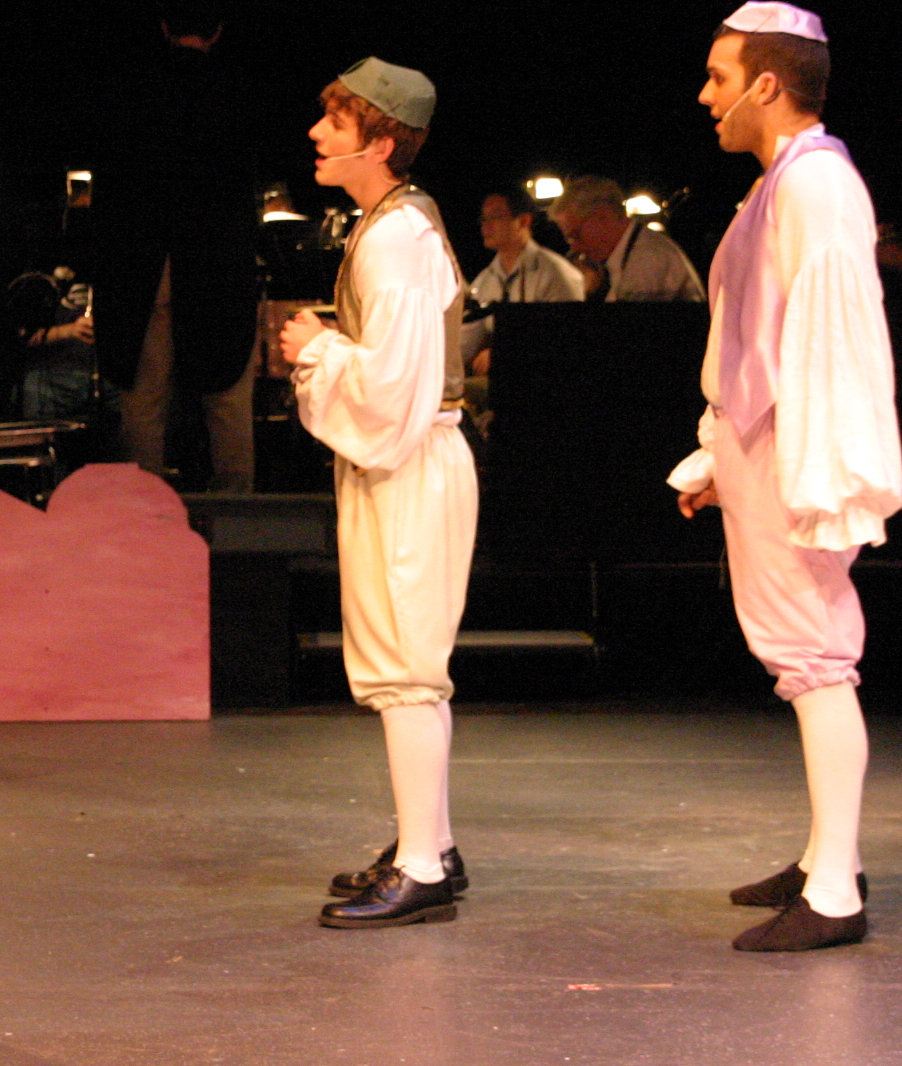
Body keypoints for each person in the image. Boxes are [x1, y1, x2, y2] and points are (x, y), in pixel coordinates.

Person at [668, 2, 902, 951]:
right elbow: (752, 338)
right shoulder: (780, 184)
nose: (706, 96)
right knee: (798, 651)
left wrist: (819, 476)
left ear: (766, 84)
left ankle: (837, 888)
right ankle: (824, 857)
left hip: (796, 453)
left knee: (814, 655)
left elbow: (837, 336)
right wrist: (720, 455)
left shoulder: (816, 184)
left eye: (719, 78)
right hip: (763, 446)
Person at [279, 57, 477, 929]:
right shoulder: (391, 225)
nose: (317, 134)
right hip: (408, 460)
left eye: (336, 121)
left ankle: (423, 867)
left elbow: (396, 388)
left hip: (411, 460)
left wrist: (317, 347)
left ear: (381, 140)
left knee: (406, 666)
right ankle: (429, 845)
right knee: (404, 660)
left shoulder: (396, 237)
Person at [89, 0, 260, 493]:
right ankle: (238, 520)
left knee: (145, 400)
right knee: (227, 398)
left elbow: (109, 193)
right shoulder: (235, 91)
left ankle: (144, 519)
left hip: (146, 264)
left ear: (164, 27)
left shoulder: (130, 89)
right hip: (217, 265)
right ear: (218, 31)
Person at [461, 185, 585, 373]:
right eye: (484, 219)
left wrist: (504, 353)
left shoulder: (555, 273)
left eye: (496, 217)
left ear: (523, 221)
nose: (486, 226)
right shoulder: (485, 280)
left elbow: (566, 336)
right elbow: (466, 340)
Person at [549, 175, 704, 303]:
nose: (575, 248)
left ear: (603, 217)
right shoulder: (631, 249)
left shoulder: (648, 258)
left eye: (576, 235)